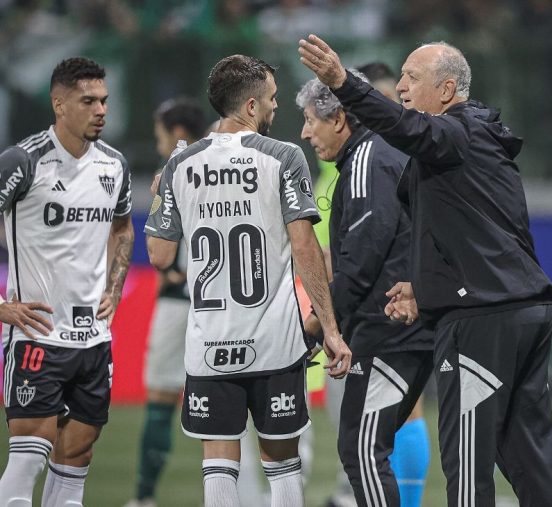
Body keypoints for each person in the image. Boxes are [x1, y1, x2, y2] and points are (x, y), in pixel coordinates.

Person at [300, 36, 552, 507]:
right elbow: (475, 237)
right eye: (401, 75)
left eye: (412, 77)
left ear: (446, 90)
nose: (400, 86)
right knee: (526, 453)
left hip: (481, 320)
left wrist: (342, 83)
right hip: (524, 309)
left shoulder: (453, 132)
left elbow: (403, 130)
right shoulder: (471, 145)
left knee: (466, 462)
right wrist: (425, 286)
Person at [145, 54, 351, 507]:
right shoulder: (282, 157)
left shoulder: (182, 165)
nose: (277, 109)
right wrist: (330, 327)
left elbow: (160, 256)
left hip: (210, 345)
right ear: (253, 106)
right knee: (282, 467)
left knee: (219, 467)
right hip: (273, 341)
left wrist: (162, 194)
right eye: (274, 99)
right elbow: (304, 248)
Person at [0, 56, 135, 506]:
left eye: (105, 101)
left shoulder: (114, 165)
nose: (101, 110)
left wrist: (114, 289)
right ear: (59, 104)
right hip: (37, 334)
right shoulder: (23, 161)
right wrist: (1, 308)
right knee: (27, 462)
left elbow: (122, 226)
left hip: (93, 341)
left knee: (76, 458)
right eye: (88, 101)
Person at [297, 70, 433, 507]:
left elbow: (361, 258)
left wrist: (321, 324)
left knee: (361, 449)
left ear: (338, 119)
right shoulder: (381, 154)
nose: (304, 132)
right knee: (367, 445)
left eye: (309, 120)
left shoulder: (367, 160)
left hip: (388, 333)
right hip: (400, 330)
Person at [125, 98, 206, 507]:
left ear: (176, 134)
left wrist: (176, 271)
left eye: (160, 135)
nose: (158, 143)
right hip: (222, 307)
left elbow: (160, 250)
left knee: (160, 398)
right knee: (236, 401)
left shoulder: (174, 173)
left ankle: (144, 498)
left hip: (180, 302)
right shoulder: (220, 164)